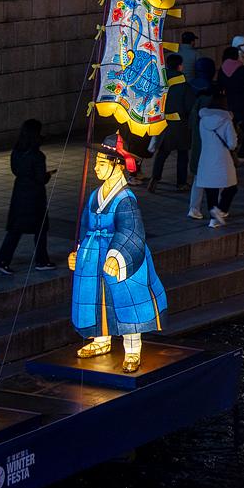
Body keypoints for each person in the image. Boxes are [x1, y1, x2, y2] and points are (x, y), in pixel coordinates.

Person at [68, 135, 167, 373]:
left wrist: (118, 256)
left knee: (126, 301)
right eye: (96, 163)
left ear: (117, 165)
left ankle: (133, 350)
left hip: (120, 256)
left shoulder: (126, 199)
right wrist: (78, 251)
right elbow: (85, 225)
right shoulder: (95, 195)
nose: (96, 167)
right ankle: (101, 340)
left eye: (101, 163)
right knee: (95, 298)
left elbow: (131, 231)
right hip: (94, 255)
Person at [0, 119, 55, 274]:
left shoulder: (16, 152)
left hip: (19, 192)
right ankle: (42, 260)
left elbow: (16, 170)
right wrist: (48, 175)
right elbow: (41, 178)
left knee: (15, 229)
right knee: (40, 229)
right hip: (35, 196)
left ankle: (2, 260)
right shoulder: (37, 155)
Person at [148, 53, 193, 192]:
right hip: (179, 124)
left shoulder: (159, 80)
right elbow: (189, 105)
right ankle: (181, 183)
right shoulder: (183, 84)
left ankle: (154, 179)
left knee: (163, 152)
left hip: (162, 122)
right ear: (179, 66)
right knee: (182, 153)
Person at [196, 90, 239, 228]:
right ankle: (221, 210)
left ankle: (213, 218)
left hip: (206, 157)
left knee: (211, 189)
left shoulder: (203, 120)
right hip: (222, 159)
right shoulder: (226, 121)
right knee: (232, 187)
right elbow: (232, 144)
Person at [218, 43, 244, 162]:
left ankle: (230, 154)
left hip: (229, 104)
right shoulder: (242, 69)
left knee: (232, 130)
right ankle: (243, 155)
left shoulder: (222, 70)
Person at [187, 57, 216, 220]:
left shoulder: (192, 89)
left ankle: (194, 208)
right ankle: (217, 210)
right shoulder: (212, 100)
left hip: (197, 145)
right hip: (211, 149)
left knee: (199, 178)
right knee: (217, 181)